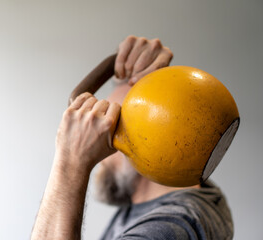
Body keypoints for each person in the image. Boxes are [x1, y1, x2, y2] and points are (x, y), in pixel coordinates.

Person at [30, 36, 233, 240]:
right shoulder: (198, 192)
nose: (99, 155)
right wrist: (129, 61)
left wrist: (71, 162)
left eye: (107, 130)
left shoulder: (168, 228)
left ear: (153, 144)